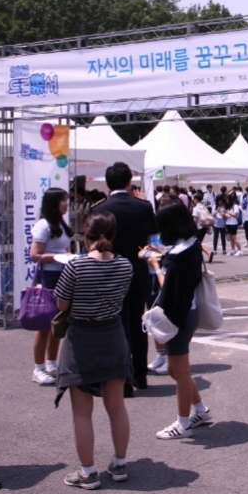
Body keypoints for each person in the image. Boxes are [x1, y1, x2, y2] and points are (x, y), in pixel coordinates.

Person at [53, 213, 134, 490]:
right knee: (116, 406)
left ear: (85, 236)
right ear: (112, 236)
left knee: (82, 411)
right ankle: (120, 463)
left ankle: (88, 472)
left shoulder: (75, 266)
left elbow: (62, 305)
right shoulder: (124, 264)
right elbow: (121, 297)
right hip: (113, 335)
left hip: (81, 340)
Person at [145, 199, 213, 439]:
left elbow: (167, 288)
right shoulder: (191, 245)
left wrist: (155, 265)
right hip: (188, 313)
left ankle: (183, 423)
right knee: (176, 369)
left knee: (180, 372)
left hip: (177, 317)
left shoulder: (176, 256)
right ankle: (201, 410)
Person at [91, 162, 158, 393]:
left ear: (108, 183)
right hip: (138, 271)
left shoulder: (100, 209)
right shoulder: (143, 206)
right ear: (129, 181)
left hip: (109, 274)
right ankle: (140, 376)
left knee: (117, 327)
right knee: (138, 325)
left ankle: (123, 379)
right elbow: (153, 236)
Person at [28, 187, 72, 386]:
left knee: (58, 322)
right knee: (45, 323)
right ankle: (38, 368)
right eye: (63, 200)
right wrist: (58, 257)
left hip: (63, 273)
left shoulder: (61, 223)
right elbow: (35, 255)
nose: (66, 204)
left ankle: (52, 364)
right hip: (49, 276)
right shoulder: (43, 225)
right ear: (54, 203)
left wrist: (67, 257)